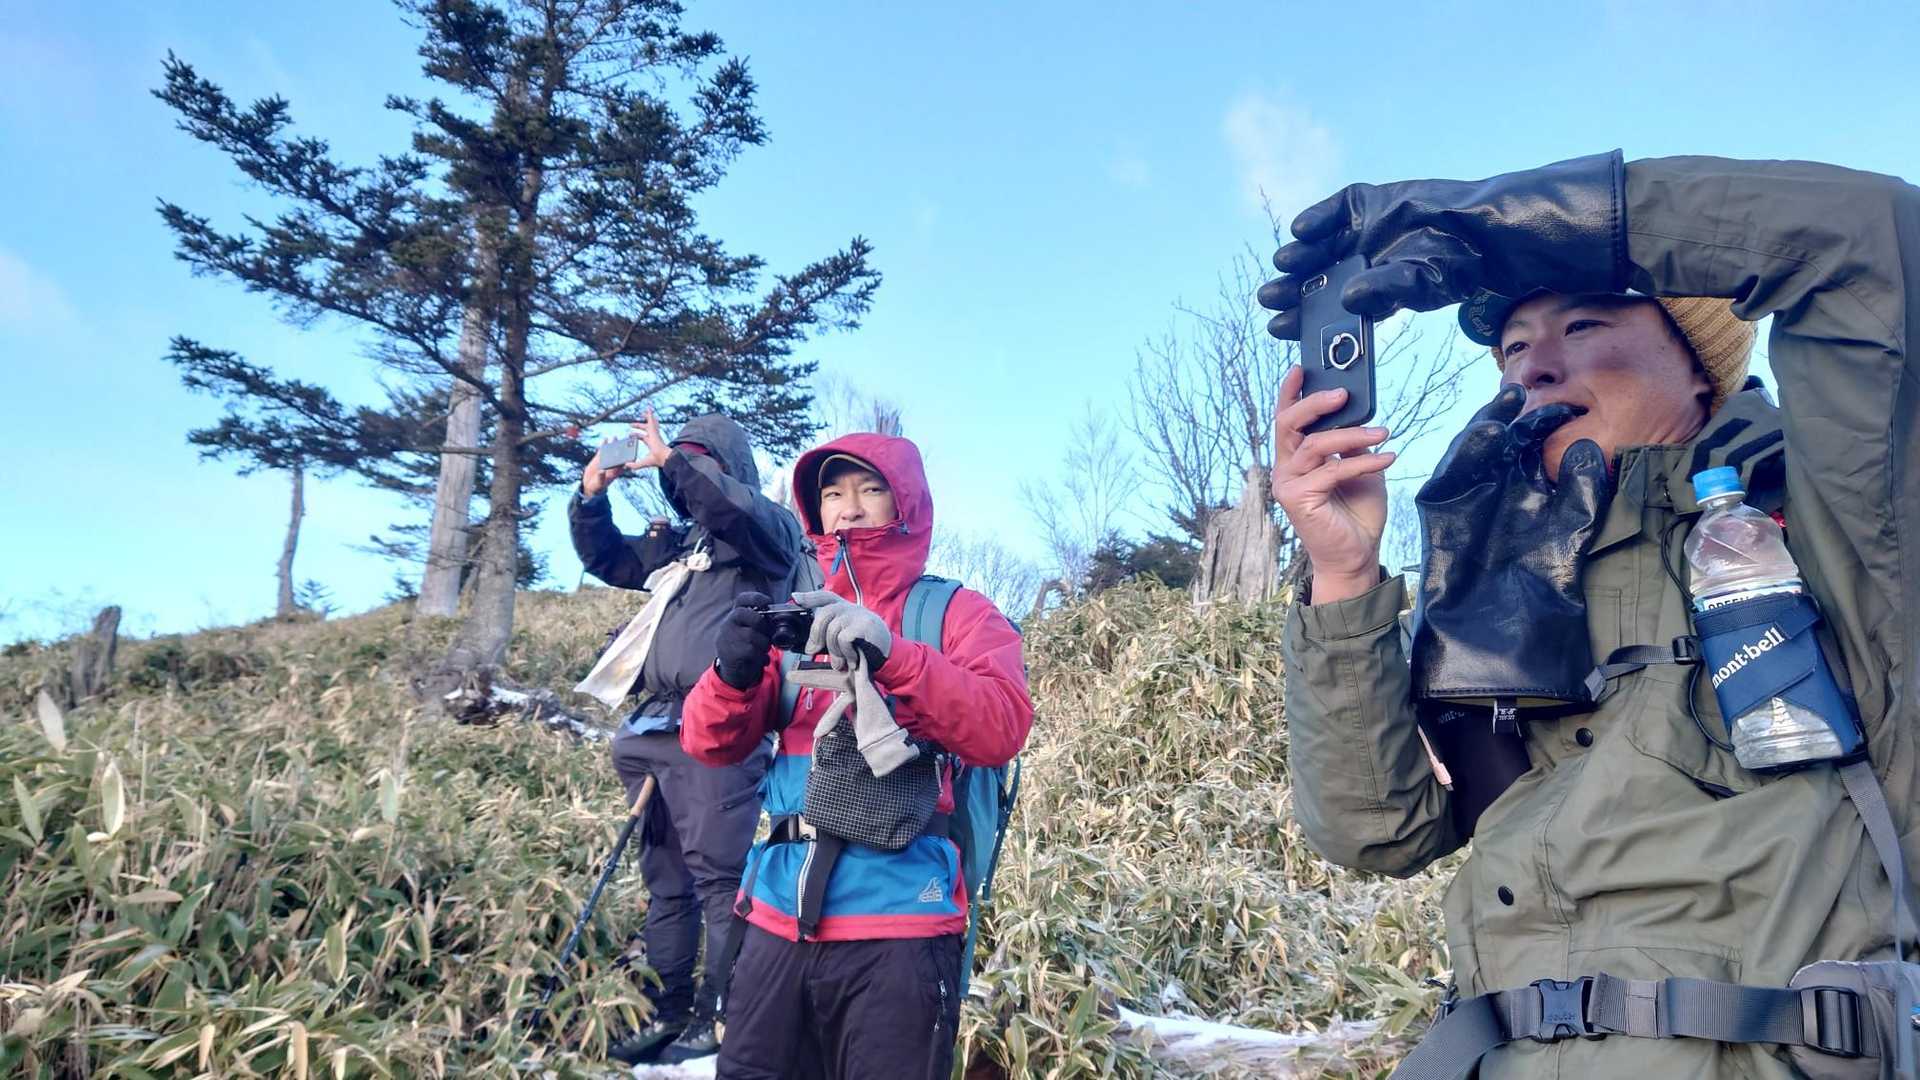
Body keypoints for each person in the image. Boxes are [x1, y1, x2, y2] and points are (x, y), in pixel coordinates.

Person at [1259, 152, 1920, 1077]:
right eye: (1512, 346)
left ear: (1701, 368)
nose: (1536, 362)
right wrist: (1344, 571)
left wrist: (1514, 223)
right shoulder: (1495, 570)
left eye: (1582, 323)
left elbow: (1869, 241)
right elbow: (1378, 830)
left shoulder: (1840, 519)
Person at [678, 433, 1034, 1080]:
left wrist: (894, 657)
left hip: (903, 922)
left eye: (871, 489)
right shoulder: (796, 621)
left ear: (906, 504)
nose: (850, 506)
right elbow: (708, 742)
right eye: (833, 493)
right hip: (776, 917)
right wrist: (731, 672)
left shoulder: (957, 613)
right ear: (815, 511)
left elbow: (1002, 726)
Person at [568, 409, 810, 1065]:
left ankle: (721, 1017)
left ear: (730, 472)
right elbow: (609, 558)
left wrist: (677, 460)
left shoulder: (767, 536)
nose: (681, 476)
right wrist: (592, 495)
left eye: (701, 464)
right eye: (679, 463)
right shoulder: (681, 548)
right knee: (666, 882)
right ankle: (666, 1009)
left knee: (719, 880)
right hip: (651, 728)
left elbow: (731, 507)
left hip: (720, 730)